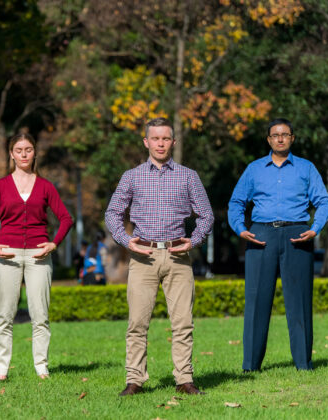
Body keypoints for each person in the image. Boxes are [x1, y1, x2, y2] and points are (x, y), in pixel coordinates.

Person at [105, 117, 214, 396]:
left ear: (173, 142)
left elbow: (206, 215)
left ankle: (184, 379)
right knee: (137, 323)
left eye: (165, 138)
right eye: (155, 138)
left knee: (183, 323)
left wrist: (195, 240)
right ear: (146, 142)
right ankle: (135, 380)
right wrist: (128, 241)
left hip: (178, 256)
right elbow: (112, 214)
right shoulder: (131, 176)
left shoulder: (188, 176)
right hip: (144, 257)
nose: (161, 143)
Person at [228, 118, 328, 372]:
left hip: (298, 234)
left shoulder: (306, 168)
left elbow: (324, 201)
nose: (280, 138)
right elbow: (236, 202)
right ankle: (250, 366)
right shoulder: (253, 169)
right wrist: (241, 229)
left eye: (285, 134)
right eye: (275, 135)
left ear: (292, 138)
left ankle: (303, 364)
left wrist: (315, 229)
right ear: (269, 140)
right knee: (256, 302)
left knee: (300, 302)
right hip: (261, 235)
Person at [0, 133, 73, 381]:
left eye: (28, 149)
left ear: (35, 153)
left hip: (39, 256)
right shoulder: (0, 185)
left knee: (40, 315)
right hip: (7, 254)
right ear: (11, 154)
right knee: (4, 315)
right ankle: (2, 370)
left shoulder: (45, 186)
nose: (24, 154)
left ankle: (41, 367)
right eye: (19, 150)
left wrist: (53, 244)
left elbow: (66, 218)